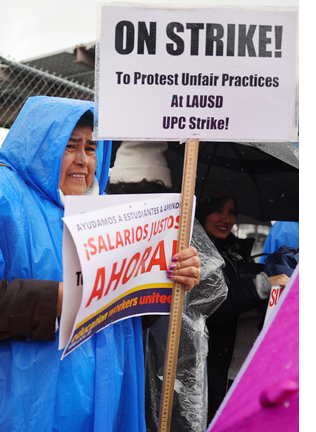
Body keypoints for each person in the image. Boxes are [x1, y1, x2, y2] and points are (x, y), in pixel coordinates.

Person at [0, 97, 201, 431]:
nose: (83, 160)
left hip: (95, 406)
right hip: (7, 409)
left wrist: (168, 277)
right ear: (42, 145)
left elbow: (125, 316)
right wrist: (54, 299)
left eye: (92, 148)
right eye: (70, 146)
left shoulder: (115, 217)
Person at [105, 141, 227, 432]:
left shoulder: (180, 228)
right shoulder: (99, 227)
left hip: (168, 348)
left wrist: (189, 279)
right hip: (113, 352)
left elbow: (216, 290)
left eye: (150, 195)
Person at [196, 187, 290, 424]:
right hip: (208, 367)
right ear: (202, 211)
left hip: (231, 366)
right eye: (218, 211)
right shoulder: (195, 254)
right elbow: (214, 308)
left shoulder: (231, 252)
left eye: (232, 212)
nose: (226, 219)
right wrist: (263, 284)